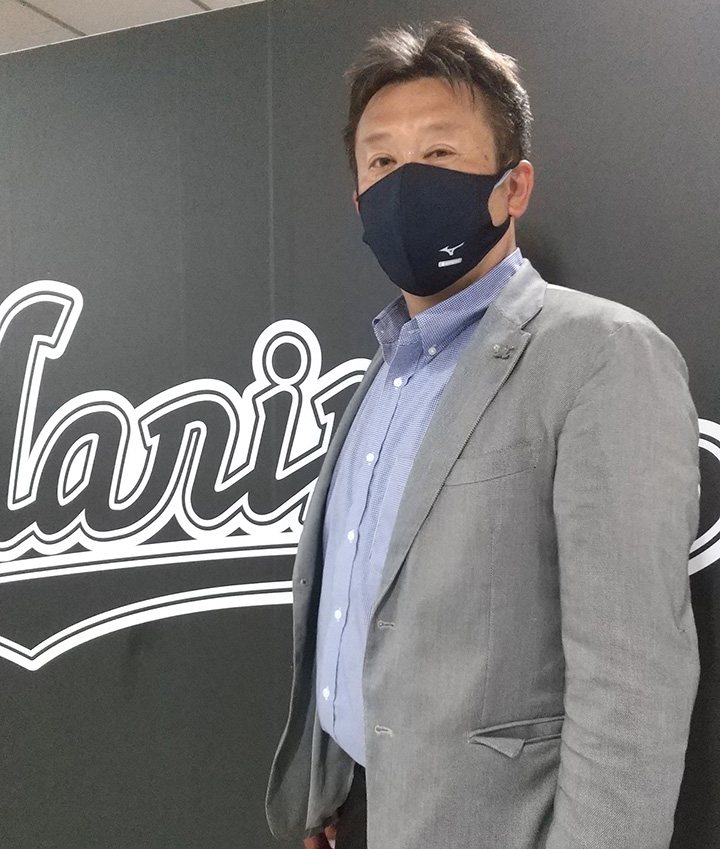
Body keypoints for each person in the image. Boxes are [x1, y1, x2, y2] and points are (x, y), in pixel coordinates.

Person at [266, 20, 700, 849]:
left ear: (513, 185)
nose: (405, 181)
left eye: (439, 152)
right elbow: (360, 611)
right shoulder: (381, 373)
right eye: (381, 162)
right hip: (360, 810)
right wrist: (334, 790)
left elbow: (634, 683)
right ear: (358, 200)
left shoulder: (603, 355)